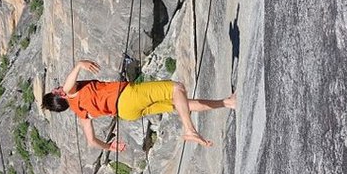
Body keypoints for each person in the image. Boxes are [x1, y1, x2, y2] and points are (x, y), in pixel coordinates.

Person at [41, 60, 236, 148]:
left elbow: (91, 141)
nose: (59, 87)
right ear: (58, 94)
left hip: (127, 113)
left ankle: (227, 102)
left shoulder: (79, 112)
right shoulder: (70, 93)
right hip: (127, 96)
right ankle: (190, 130)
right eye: (56, 89)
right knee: (177, 88)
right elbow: (67, 87)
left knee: (180, 103)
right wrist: (79, 65)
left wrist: (109, 147)